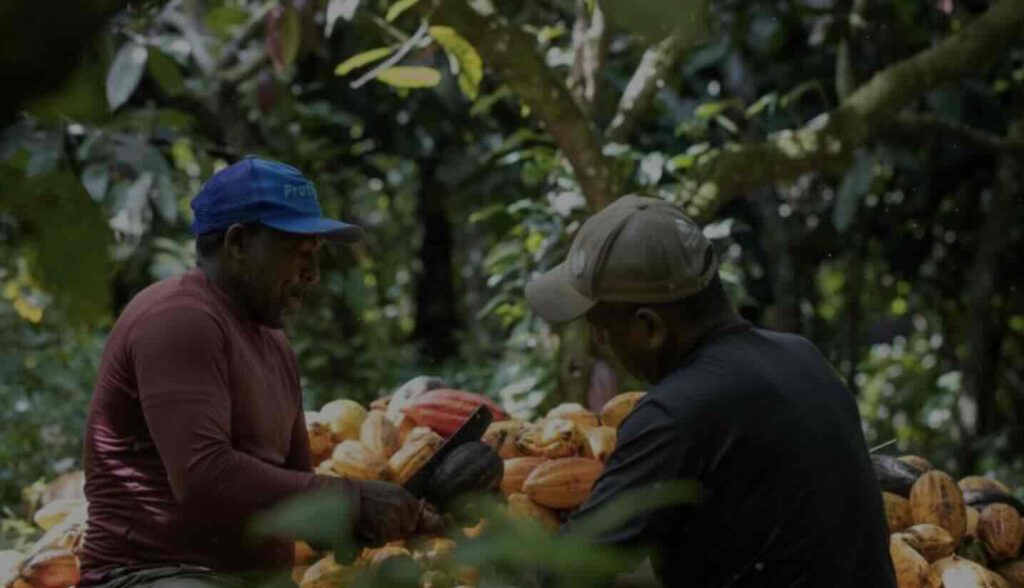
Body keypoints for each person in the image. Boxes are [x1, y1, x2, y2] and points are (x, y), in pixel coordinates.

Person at [80, 157, 439, 587]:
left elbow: (298, 500)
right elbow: (205, 477)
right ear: (238, 244)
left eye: (317, 255)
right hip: (154, 575)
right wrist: (351, 500)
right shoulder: (178, 319)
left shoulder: (274, 345)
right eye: (300, 252)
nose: (314, 273)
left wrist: (405, 515)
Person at [525, 195, 896, 587]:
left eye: (602, 332)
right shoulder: (804, 357)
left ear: (650, 328)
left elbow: (566, 572)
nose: (601, 343)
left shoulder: (677, 413)